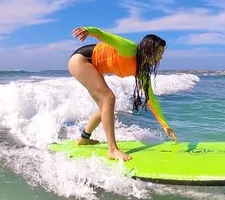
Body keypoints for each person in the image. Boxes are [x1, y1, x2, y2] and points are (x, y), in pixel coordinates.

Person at [68, 26, 177, 161]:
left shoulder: (142, 70)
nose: (160, 57)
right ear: (149, 50)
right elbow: (105, 36)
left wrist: (165, 126)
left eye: (162, 53)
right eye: (159, 52)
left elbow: (151, 99)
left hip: (92, 66)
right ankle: (113, 150)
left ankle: (84, 138)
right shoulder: (129, 48)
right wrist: (89, 31)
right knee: (108, 98)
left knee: (105, 109)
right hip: (81, 60)